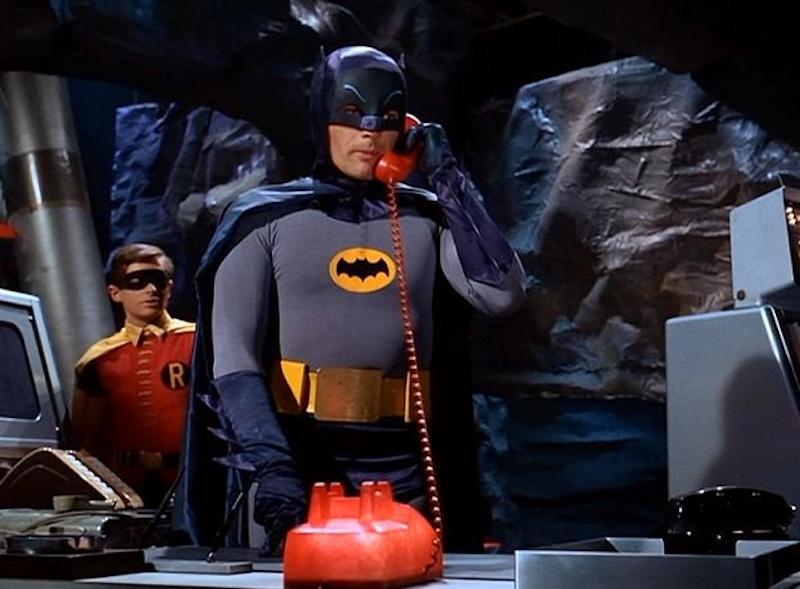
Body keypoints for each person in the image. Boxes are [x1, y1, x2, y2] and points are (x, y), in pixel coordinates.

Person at [176, 45, 526, 554]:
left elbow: (502, 294)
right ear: (322, 115)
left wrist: (448, 179)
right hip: (295, 469)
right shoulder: (262, 218)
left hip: (407, 474)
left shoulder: (427, 219)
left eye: (388, 115)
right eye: (350, 110)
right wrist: (273, 468)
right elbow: (232, 363)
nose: (369, 129)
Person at [73, 243, 195, 507]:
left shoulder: (197, 341)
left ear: (169, 287)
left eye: (158, 280)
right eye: (137, 282)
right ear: (115, 293)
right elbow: (88, 441)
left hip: (194, 483)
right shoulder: (98, 359)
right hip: (126, 489)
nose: (151, 290)